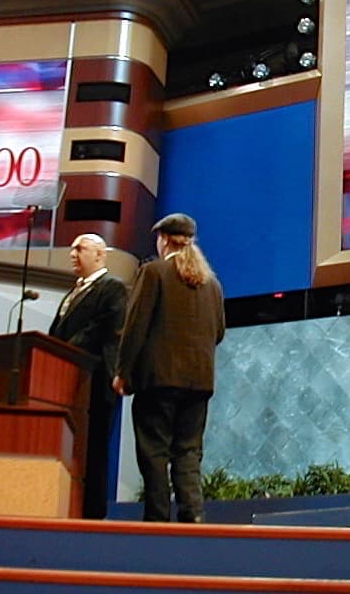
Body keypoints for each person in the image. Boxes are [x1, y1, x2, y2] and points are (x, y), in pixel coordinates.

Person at [113, 212, 225, 523]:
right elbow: (218, 332)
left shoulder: (153, 273)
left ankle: (158, 522)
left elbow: (135, 327)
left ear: (163, 240)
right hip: (199, 384)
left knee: (154, 452)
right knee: (188, 453)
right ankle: (193, 518)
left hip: (157, 381)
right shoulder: (212, 284)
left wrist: (122, 371)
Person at [49, 232, 127, 519]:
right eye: (71, 249)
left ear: (99, 254)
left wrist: (64, 349)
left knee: (93, 448)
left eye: (79, 248)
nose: (72, 254)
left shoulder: (113, 288)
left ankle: (93, 514)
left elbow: (105, 329)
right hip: (66, 380)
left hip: (93, 380)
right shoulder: (72, 292)